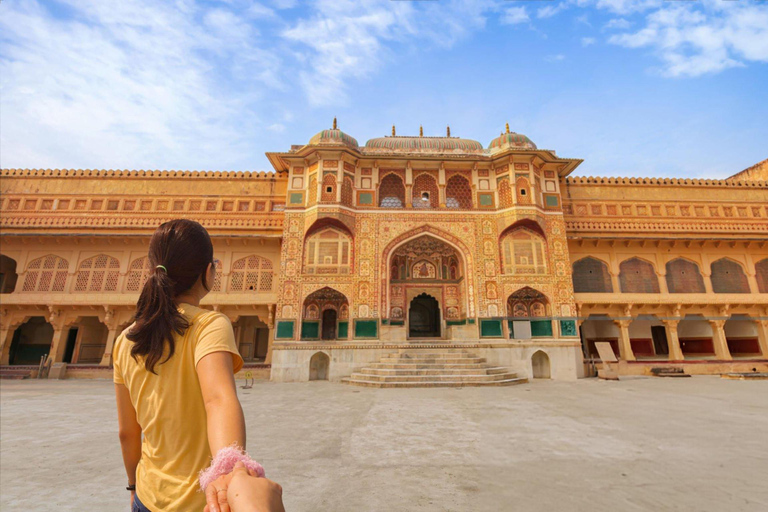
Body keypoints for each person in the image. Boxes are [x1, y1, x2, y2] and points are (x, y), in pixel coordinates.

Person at [114, 219, 273, 512]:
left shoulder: (125, 339)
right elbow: (218, 400)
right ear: (209, 272)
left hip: (147, 497)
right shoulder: (208, 325)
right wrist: (228, 471)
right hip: (202, 502)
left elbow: (128, 432)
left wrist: (134, 486)